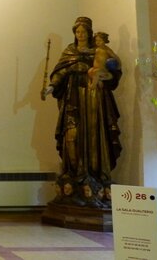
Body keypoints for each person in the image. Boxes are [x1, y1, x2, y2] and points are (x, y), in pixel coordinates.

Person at [43, 16, 122, 206]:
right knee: (72, 135)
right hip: (73, 100)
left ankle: (96, 179)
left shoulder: (98, 51)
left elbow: (114, 71)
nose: (80, 35)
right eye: (77, 31)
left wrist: (106, 72)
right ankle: (74, 176)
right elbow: (60, 73)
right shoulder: (69, 52)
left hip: (94, 100)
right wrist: (51, 87)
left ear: (89, 33)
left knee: (95, 136)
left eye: (83, 31)